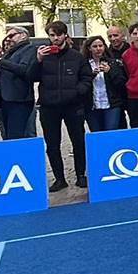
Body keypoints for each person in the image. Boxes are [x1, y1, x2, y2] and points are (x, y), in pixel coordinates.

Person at [30, 20, 93, 191]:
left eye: (58, 34)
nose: (55, 38)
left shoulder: (76, 56)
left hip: (72, 105)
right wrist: (38, 60)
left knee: (78, 140)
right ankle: (59, 178)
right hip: (49, 106)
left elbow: (87, 78)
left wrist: (76, 92)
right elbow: (31, 77)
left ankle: (81, 174)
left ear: (65, 35)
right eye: (52, 35)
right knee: (52, 143)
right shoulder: (43, 55)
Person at [0, 26, 38, 139]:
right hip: (5, 100)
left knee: (18, 135)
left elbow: (23, 70)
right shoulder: (10, 52)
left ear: (23, 35)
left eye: (11, 35)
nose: (8, 39)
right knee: (8, 135)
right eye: (7, 37)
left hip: (19, 100)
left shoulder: (29, 49)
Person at [82, 35, 128, 132]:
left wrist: (110, 71)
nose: (98, 49)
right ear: (89, 48)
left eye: (100, 46)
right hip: (92, 105)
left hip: (111, 104)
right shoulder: (84, 64)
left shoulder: (112, 62)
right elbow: (81, 84)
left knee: (110, 133)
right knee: (96, 133)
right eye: (95, 46)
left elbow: (121, 82)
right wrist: (91, 75)